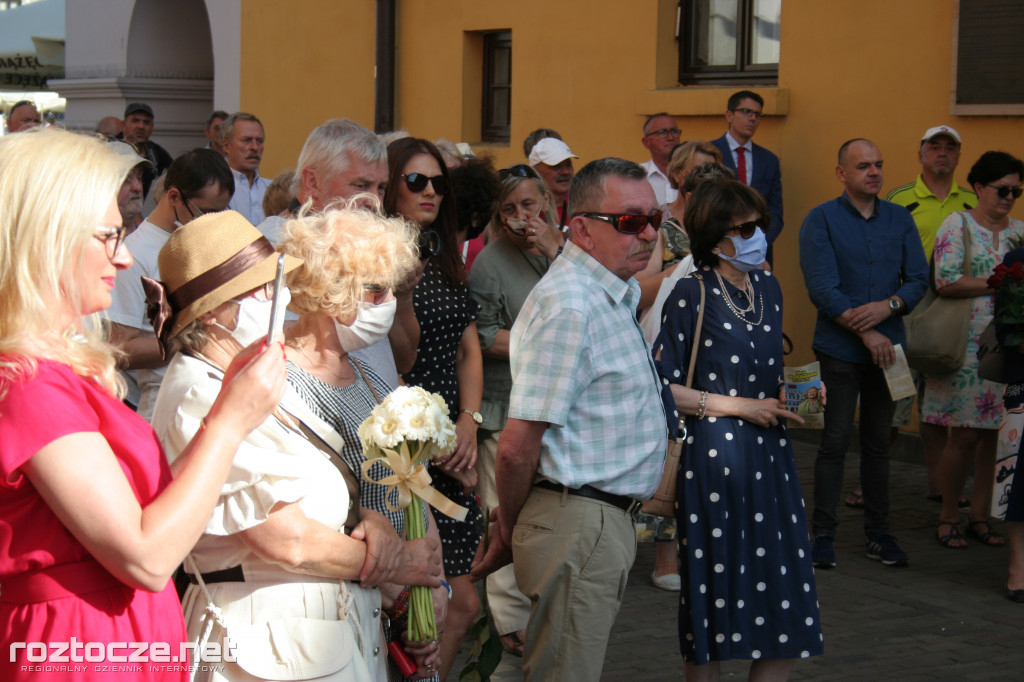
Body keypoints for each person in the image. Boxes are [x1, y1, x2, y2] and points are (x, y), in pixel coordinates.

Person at [0, 128, 284, 682]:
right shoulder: (30, 382)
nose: (125, 258)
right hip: (79, 642)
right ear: (48, 239)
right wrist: (229, 422)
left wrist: (228, 404)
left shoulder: (51, 373)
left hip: (112, 634)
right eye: (109, 236)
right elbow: (147, 556)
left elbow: (150, 515)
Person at [149, 210, 442, 681]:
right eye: (262, 288)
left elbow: (322, 490)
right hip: (265, 642)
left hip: (317, 639)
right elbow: (285, 538)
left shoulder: (243, 376)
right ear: (216, 311)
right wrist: (397, 564)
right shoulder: (199, 391)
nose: (278, 297)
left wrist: (373, 523)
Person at [471, 158, 668, 681]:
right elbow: (517, 445)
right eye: (630, 222)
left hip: (595, 518)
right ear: (581, 228)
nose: (649, 233)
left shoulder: (605, 294)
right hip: (580, 519)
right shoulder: (572, 304)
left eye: (656, 218)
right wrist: (508, 528)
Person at [655, 178, 823, 681]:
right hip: (713, 460)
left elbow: (764, 373)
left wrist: (801, 394)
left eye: (761, 226)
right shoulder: (690, 292)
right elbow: (661, 386)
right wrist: (738, 407)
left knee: (785, 591)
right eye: (745, 228)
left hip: (771, 458)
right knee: (715, 588)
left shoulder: (768, 288)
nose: (758, 237)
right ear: (714, 233)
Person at [278, 200, 448, 679]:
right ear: (328, 291)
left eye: (391, 290)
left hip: (385, 601)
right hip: (332, 611)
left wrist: (432, 588)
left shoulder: (367, 374)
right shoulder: (280, 378)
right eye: (375, 292)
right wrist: (400, 582)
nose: (388, 305)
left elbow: (410, 484)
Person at [799, 138, 929, 569]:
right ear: (842, 173)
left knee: (878, 444)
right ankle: (824, 535)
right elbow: (822, 289)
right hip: (839, 351)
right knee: (834, 442)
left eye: (878, 165)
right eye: (863, 166)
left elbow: (916, 279)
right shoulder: (820, 220)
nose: (873, 172)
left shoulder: (899, 218)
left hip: (889, 352)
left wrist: (889, 307)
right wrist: (869, 331)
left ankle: (880, 534)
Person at [384, 136, 484, 680]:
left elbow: (469, 348)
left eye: (438, 183)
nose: (430, 192)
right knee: (422, 605)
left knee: (461, 603)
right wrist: (433, 438)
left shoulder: (441, 250)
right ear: (390, 184)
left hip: (454, 430)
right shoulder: (383, 253)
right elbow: (396, 358)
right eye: (415, 181)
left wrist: (470, 420)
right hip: (404, 437)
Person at [468, 163, 563, 655]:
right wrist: (540, 345)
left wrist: (555, 248)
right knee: (501, 511)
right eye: (509, 208)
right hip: (506, 407)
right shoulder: (489, 263)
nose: (521, 216)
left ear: (545, 201)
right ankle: (507, 620)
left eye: (528, 204)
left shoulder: (565, 248)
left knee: (545, 511)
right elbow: (480, 335)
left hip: (557, 408)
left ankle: (542, 603)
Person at [923, 151, 1024, 549]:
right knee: (963, 436)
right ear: (979, 187)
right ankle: (949, 513)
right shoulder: (958, 223)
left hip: (1007, 348)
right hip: (964, 346)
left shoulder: (1019, 232)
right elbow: (946, 281)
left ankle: (979, 516)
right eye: (1002, 190)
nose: (1009, 198)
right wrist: (1003, 282)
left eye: (1016, 191)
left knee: (993, 439)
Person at [883, 126, 977, 508]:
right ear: (920, 153)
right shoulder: (899, 199)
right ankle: (871, 481)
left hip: (951, 317)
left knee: (939, 403)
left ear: (958, 155)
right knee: (894, 397)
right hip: (904, 311)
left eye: (950, 147)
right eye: (934, 146)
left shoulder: (973, 201)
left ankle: (938, 483)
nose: (942, 153)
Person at [108, 148, 235, 419]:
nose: (214, 223)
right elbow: (119, 350)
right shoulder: (136, 254)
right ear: (174, 197)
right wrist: (193, 339)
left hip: (217, 393)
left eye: (223, 212)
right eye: (207, 212)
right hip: (168, 404)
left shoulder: (202, 239)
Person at [711, 91, 783, 264]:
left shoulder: (769, 160)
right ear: (729, 115)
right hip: (718, 249)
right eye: (746, 111)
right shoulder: (709, 153)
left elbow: (775, 212)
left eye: (757, 114)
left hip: (758, 253)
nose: (752, 118)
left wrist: (758, 242)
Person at [222, 112, 271, 225]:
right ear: (226, 145)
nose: (255, 147)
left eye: (259, 141)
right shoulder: (215, 190)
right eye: (247, 140)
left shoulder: (272, 189)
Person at [120, 102, 173, 199]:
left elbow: (175, 176)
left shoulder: (156, 153)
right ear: (124, 125)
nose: (141, 126)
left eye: (146, 122)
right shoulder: (110, 148)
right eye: (135, 121)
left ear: (152, 127)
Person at [528, 136, 578, 230]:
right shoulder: (525, 214)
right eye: (556, 166)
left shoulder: (580, 212)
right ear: (535, 171)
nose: (565, 172)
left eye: (568, 165)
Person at [639, 112, 682, 206]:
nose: (670, 137)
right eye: (662, 132)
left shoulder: (692, 174)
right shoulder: (637, 176)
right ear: (646, 142)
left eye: (674, 131)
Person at [108, 140, 150, 233]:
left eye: (139, 178)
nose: (137, 187)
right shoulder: (88, 239)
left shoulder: (143, 234)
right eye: (126, 179)